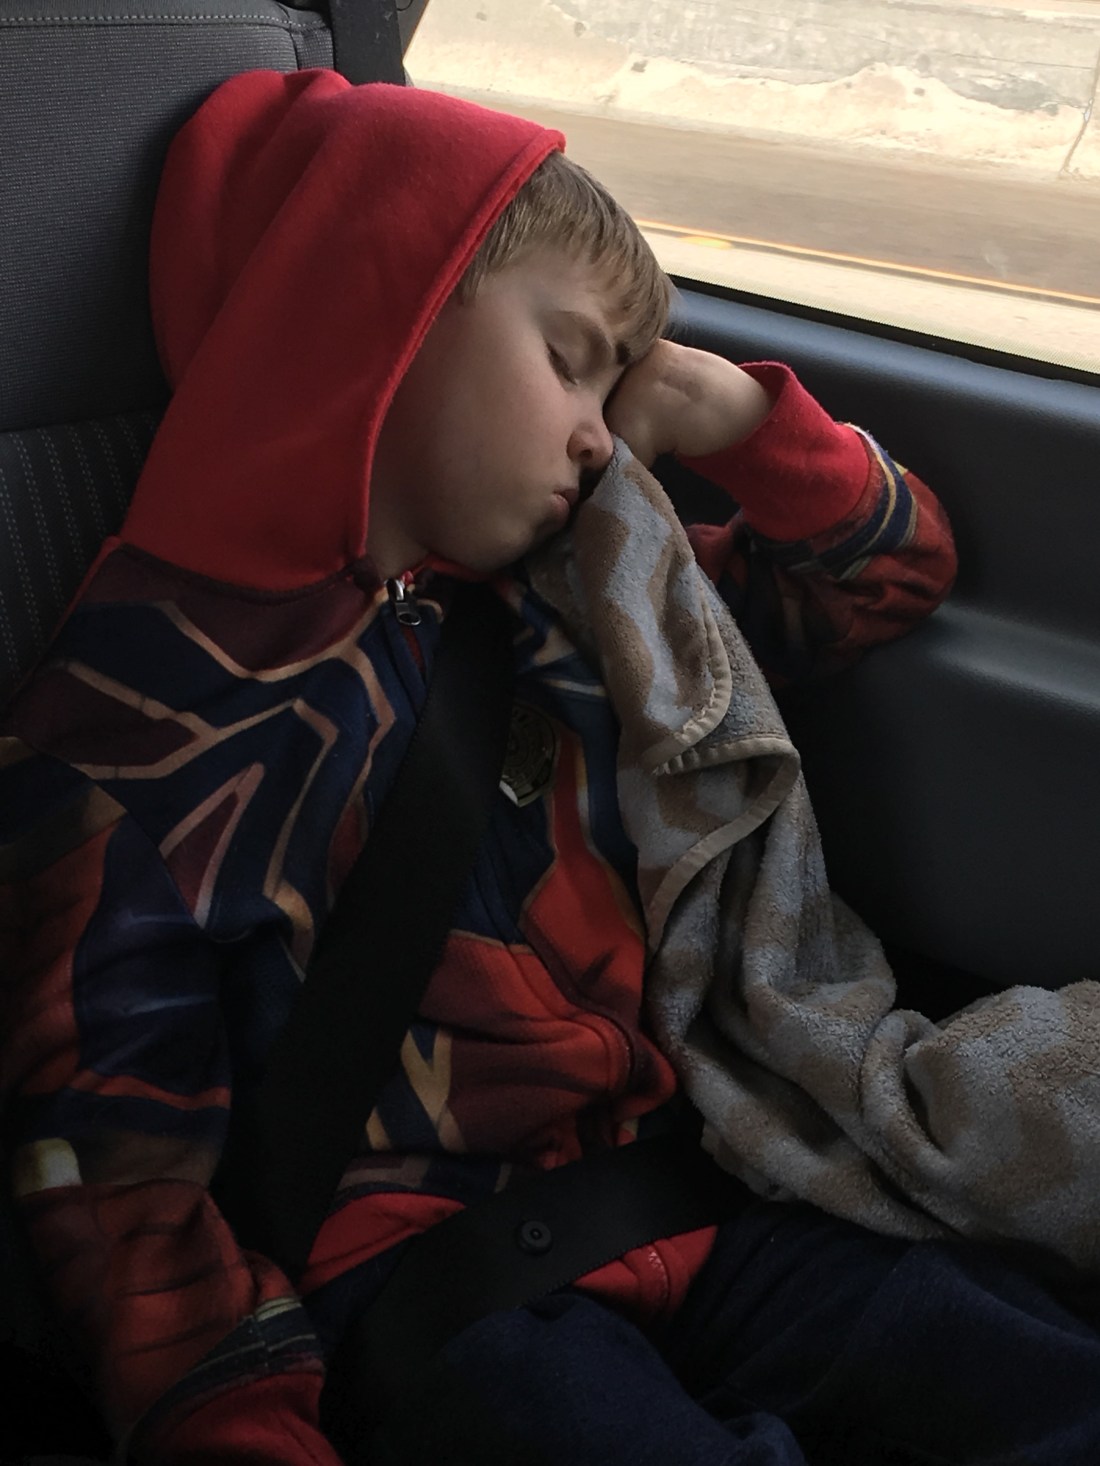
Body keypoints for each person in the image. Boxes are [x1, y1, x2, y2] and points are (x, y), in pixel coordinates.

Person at [1, 67, 1097, 1466]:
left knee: (1026, 1367)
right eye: (572, 357)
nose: (600, 428)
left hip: (693, 1198)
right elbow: (116, 1185)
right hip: (427, 1288)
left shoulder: (577, 607)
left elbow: (882, 577)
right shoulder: (133, 722)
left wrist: (732, 416)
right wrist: (248, 1419)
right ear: (381, 303)